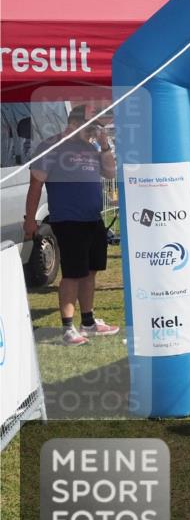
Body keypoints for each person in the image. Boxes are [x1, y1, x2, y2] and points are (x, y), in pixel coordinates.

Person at [23, 105, 119, 345]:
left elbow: (110, 173)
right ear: (74, 124)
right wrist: (30, 219)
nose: (95, 131)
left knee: (90, 271)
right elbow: (35, 184)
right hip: (68, 219)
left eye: (97, 126)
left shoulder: (93, 147)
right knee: (73, 274)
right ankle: (68, 327)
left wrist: (105, 146)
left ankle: (88, 321)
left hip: (92, 218)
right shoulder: (50, 147)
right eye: (92, 126)